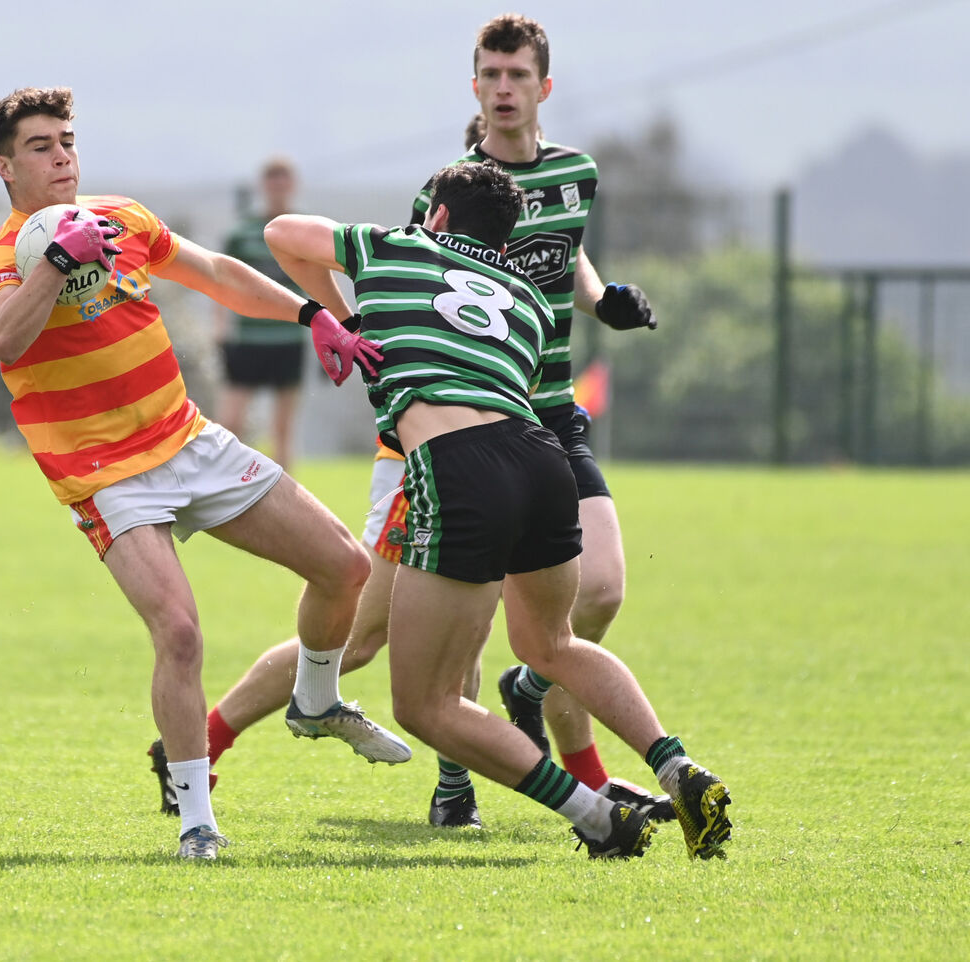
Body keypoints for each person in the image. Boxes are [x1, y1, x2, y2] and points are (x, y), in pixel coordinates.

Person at [0, 86, 408, 861]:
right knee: (178, 632)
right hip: (104, 475)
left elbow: (216, 274)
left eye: (67, 140)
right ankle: (196, 822)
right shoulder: (3, 262)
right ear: (5, 168)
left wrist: (314, 317)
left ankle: (314, 700)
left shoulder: (123, 218)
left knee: (345, 568)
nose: (62, 156)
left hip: (188, 441)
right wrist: (58, 263)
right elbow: (5, 339)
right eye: (40, 146)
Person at [264, 159, 733, 859]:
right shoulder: (529, 299)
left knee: (423, 704)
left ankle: (598, 817)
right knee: (553, 645)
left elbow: (282, 233)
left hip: (459, 468)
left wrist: (344, 318)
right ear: (506, 241)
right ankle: (678, 766)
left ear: (438, 215)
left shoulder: (396, 245)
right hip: (544, 462)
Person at [411, 13, 669, 818]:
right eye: (490, 75)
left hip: (553, 412)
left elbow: (566, 252)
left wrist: (600, 298)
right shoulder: (449, 191)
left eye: (517, 75)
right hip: (475, 421)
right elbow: (415, 284)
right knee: (467, 616)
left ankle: (529, 684)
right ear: (474, 86)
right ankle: (456, 781)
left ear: (543, 86)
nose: (503, 88)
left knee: (601, 592)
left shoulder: (575, 173)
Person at [215, 157, 310, 472]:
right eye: (272, 178)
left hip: (289, 338)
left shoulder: (307, 230)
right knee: (230, 422)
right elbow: (221, 280)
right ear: (263, 185)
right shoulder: (243, 233)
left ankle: (289, 497)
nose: (278, 185)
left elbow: (321, 283)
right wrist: (221, 330)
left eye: (283, 178)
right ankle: (229, 485)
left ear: (292, 184)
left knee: (282, 430)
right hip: (248, 339)